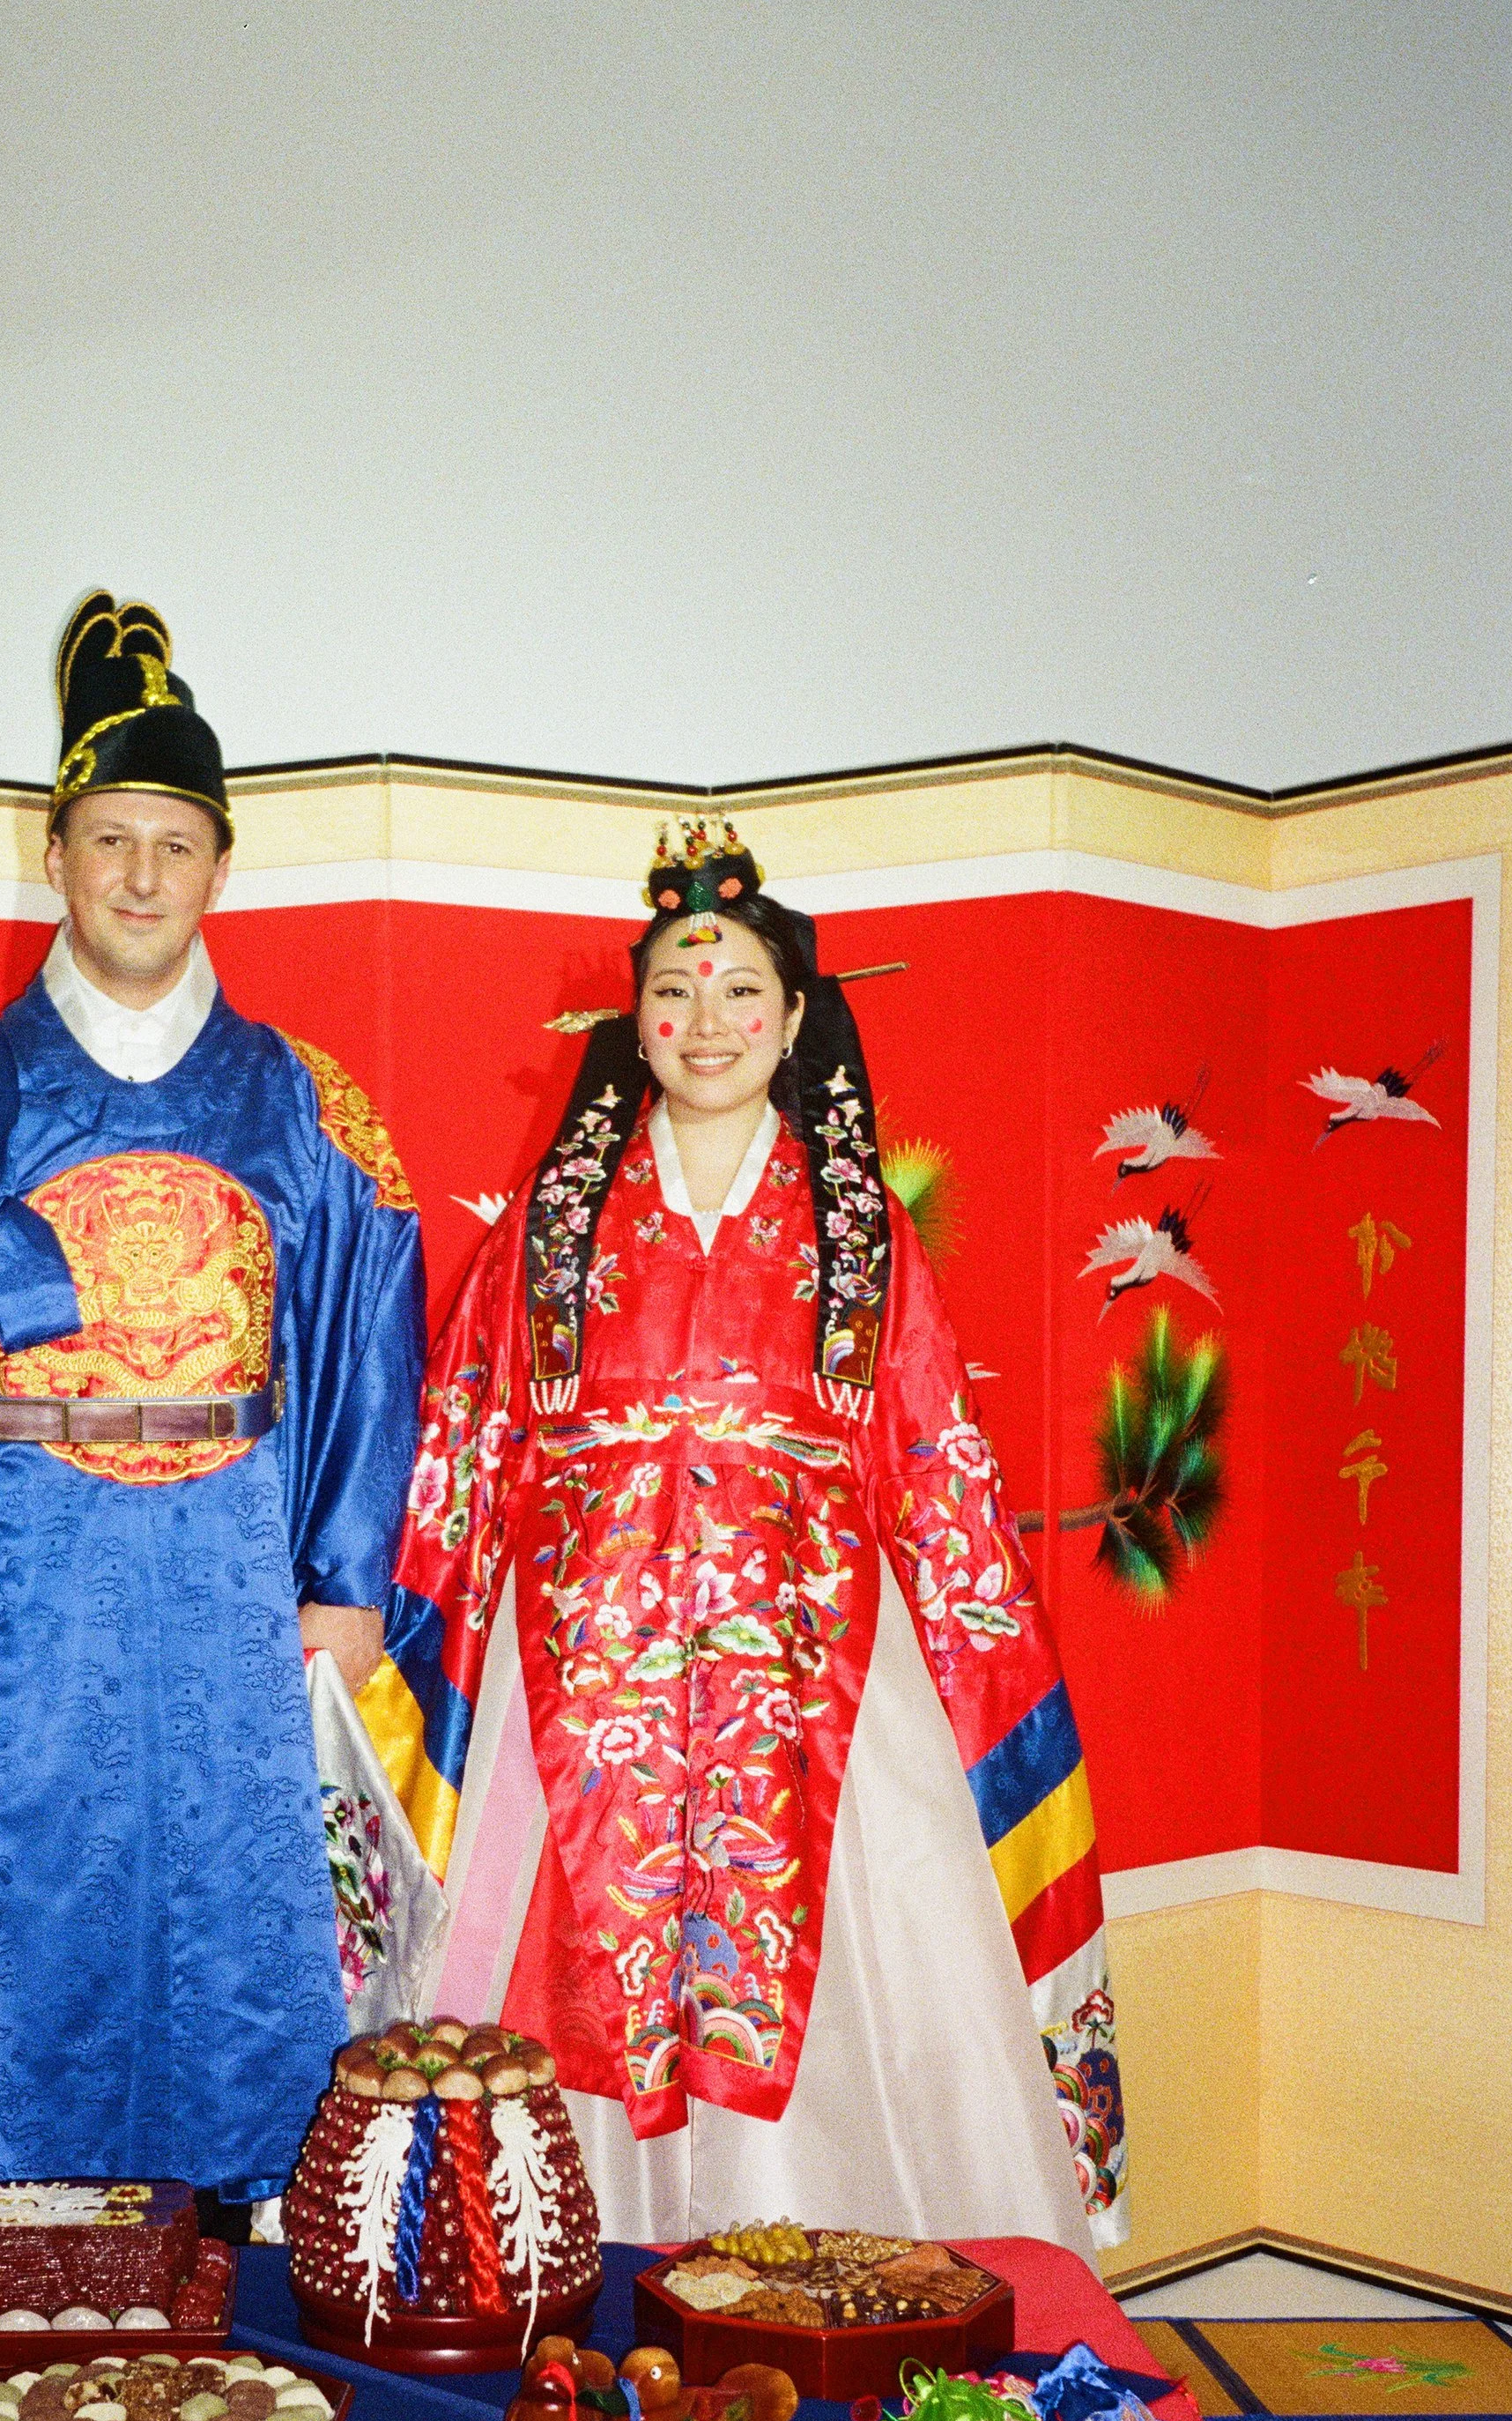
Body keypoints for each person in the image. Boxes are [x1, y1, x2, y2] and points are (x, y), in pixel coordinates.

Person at [380, 818, 1127, 2251]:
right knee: (562, 1987)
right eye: (673, 989)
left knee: (852, 1981)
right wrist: (390, 1643)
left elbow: (938, 1471)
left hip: (811, 1670)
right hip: (581, 1676)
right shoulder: (552, 1226)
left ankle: (815, 2285)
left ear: (793, 1022)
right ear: (635, 1022)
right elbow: (462, 1442)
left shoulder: (861, 1235)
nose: (706, 1021)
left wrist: (990, 1674)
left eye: (740, 992)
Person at [0, 594, 425, 2207]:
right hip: (17, 1584)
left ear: (221, 867)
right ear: (53, 851)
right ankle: (29, 2266)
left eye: (175, 844)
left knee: (238, 1915)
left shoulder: (309, 1107)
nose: (141, 875)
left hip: (234, 1581)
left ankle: (242, 2275)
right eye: (111, 839)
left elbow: (368, 1353)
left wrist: (348, 1583)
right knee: (32, 1910)